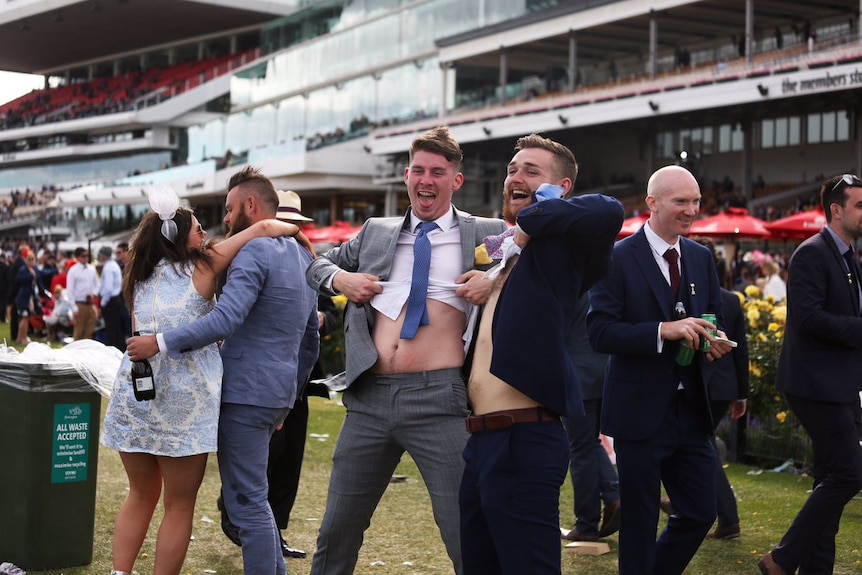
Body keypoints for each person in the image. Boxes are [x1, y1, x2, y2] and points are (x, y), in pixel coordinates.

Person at [304, 125, 506, 575]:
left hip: (441, 400)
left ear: (456, 180)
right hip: (370, 398)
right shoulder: (376, 230)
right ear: (405, 174)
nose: (426, 180)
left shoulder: (488, 232)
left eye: (438, 172)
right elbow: (312, 262)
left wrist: (494, 281)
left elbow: (539, 267)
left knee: (463, 531)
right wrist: (342, 280)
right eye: (418, 170)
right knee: (337, 529)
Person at [101, 186, 304, 575]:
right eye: (198, 229)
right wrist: (289, 228)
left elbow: (137, 332)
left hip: (138, 394)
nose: (205, 235)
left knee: (139, 494)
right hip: (186, 398)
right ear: (182, 238)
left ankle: (120, 572)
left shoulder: (138, 275)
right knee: (178, 505)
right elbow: (257, 232)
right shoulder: (205, 264)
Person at [459, 133, 623, 574]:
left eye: (532, 171)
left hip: (524, 439)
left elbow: (610, 210)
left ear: (561, 188)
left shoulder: (561, 249)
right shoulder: (503, 255)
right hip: (480, 441)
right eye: (512, 169)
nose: (516, 176)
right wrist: (499, 263)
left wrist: (533, 222)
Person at [587, 165, 733, 575]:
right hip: (639, 412)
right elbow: (599, 331)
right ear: (651, 204)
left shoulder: (702, 258)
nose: (691, 210)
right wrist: (662, 331)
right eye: (681, 202)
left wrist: (712, 340)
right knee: (639, 521)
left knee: (702, 511)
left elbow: (713, 317)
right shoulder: (616, 257)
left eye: (696, 201)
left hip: (690, 411)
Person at [216, 189, 338, 560]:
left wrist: (164, 342)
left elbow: (325, 318)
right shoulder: (261, 256)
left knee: (282, 467)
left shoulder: (305, 260)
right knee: (258, 471)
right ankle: (244, 521)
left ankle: (268, 529)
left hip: (283, 384)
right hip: (274, 383)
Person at [758, 174, 862, 575]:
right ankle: (781, 559)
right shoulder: (812, 253)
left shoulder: (845, 256)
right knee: (850, 474)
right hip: (815, 386)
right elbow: (809, 318)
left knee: (831, 479)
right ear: (836, 210)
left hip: (838, 386)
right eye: (859, 205)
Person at [692, 237, 749, 541]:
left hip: (702, 384)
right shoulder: (732, 299)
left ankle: (726, 516)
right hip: (724, 388)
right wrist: (741, 394)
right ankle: (691, 502)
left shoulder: (692, 297)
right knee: (698, 444)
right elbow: (742, 351)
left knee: (701, 446)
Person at [560, 293, 620, 542]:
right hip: (605, 372)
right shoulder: (602, 279)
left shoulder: (566, 281)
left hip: (576, 375)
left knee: (580, 449)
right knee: (589, 443)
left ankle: (586, 525)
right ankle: (614, 495)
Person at [66, 246, 99, 340]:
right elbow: (70, 290)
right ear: (77, 257)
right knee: (78, 333)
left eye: (87, 256)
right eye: (83, 256)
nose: (86, 258)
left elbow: (97, 285)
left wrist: (93, 294)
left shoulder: (91, 269)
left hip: (90, 303)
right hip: (79, 304)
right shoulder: (73, 271)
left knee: (90, 332)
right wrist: (74, 307)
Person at [98, 245, 125, 350]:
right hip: (116, 298)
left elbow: (108, 288)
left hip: (110, 300)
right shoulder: (114, 265)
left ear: (103, 256)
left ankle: (113, 349)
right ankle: (119, 349)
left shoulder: (108, 267)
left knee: (111, 328)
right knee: (117, 328)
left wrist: (103, 303)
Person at [13, 250, 43, 344]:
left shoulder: (34, 269)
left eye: (32, 259)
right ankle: (22, 338)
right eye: (29, 259)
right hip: (24, 296)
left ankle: (21, 337)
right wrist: (30, 277)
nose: (30, 261)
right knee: (25, 317)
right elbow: (19, 279)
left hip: (30, 296)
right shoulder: (23, 270)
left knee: (27, 317)